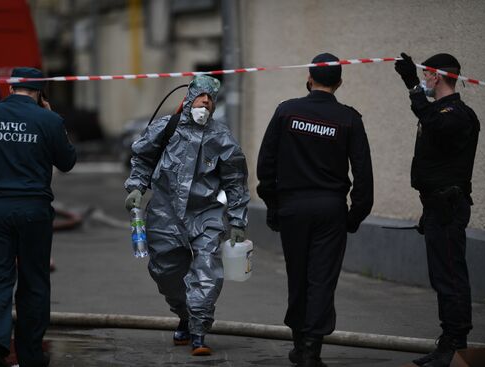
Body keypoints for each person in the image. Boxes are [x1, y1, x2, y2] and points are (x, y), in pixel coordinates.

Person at [0, 67, 77, 367]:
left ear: (11, 88)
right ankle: (31, 355)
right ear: (40, 93)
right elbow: (68, 161)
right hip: (34, 212)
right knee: (34, 281)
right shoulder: (48, 119)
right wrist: (54, 119)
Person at [257, 53, 374, 367]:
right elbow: (363, 173)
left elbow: (265, 163)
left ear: (309, 78)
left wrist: (272, 204)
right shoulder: (349, 118)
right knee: (322, 278)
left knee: (298, 275)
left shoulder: (286, 111)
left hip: (293, 207)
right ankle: (311, 349)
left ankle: (300, 343)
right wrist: (355, 215)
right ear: (339, 82)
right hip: (330, 209)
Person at [124, 75, 250, 356]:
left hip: (206, 214)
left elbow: (235, 181)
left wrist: (238, 220)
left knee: (207, 272)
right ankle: (185, 314)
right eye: (201, 97)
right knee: (166, 273)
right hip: (164, 213)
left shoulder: (221, 137)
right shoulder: (165, 127)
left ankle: (199, 332)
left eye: (211, 99)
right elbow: (143, 159)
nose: (206, 103)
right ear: (188, 99)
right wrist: (135, 186)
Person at [395, 53, 479, 367]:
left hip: (448, 205)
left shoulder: (457, 113)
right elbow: (432, 122)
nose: (424, 82)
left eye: (426, 76)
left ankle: (456, 344)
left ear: (436, 76)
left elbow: (434, 122)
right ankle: (448, 342)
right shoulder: (442, 111)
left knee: (450, 277)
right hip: (436, 206)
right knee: (442, 276)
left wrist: (411, 87)